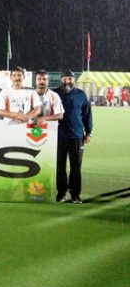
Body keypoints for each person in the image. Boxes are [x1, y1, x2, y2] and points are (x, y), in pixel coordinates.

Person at [54, 70, 92, 203]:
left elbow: (87, 115)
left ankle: (75, 194)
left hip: (76, 136)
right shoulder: (55, 94)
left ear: (73, 80)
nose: (67, 81)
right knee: (60, 166)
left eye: (70, 79)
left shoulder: (81, 95)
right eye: (65, 79)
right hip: (58, 136)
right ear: (61, 80)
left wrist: (89, 132)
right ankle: (61, 193)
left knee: (76, 167)